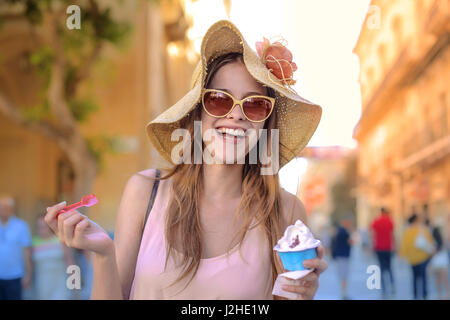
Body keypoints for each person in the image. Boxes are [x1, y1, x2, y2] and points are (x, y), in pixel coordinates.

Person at [44, 20, 328, 300]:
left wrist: (302, 296)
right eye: (219, 99)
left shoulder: (286, 211)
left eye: (254, 105)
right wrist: (103, 254)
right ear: (197, 113)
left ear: (267, 123)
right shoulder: (145, 191)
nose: (236, 115)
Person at [31, 214, 74, 299]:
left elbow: (69, 260)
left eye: (44, 227)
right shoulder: (34, 242)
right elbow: (31, 264)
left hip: (61, 282)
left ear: (50, 227)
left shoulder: (60, 240)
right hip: (42, 283)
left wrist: (74, 282)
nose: (41, 230)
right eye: (39, 227)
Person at [0, 195, 33, 300]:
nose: (3, 210)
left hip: (15, 276)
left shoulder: (21, 226)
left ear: (11, 209)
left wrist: (28, 274)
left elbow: (26, 251)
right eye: (1, 207)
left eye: (6, 207)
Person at [399, 213, 434, 300]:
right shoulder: (422, 230)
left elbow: (404, 245)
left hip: (412, 258)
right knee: (423, 276)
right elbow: (430, 242)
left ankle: (415, 295)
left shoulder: (407, 232)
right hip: (423, 257)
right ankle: (424, 294)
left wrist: (402, 256)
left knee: (414, 277)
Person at [370, 207, 395, 297]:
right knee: (389, 267)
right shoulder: (389, 221)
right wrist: (394, 245)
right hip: (388, 247)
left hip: (379, 248)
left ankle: (384, 288)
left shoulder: (376, 221)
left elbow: (372, 234)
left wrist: (372, 246)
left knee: (381, 268)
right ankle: (392, 285)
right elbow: (392, 234)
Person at [331, 217, 353, 300]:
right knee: (344, 275)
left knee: (342, 275)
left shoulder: (338, 231)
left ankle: (344, 293)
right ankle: (344, 293)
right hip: (343, 256)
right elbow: (350, 241)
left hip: (340, 256)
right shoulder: (344, 232)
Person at [428, 222, 449, 300]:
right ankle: (447, 294)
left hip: (437, 262)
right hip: (443, 261)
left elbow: (433, 252)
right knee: (444, 279)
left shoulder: (433, 241)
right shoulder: (441, 240)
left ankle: (440, 295)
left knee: (438, 279)